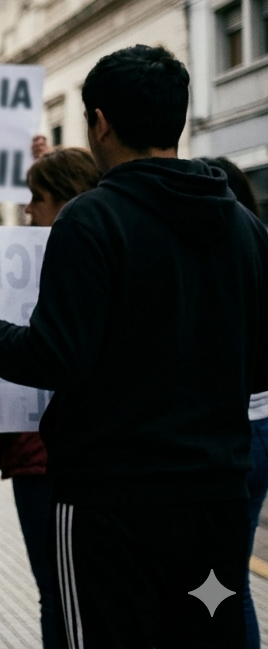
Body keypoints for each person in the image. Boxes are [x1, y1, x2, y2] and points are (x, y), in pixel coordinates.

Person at [0, 45, 268, 648]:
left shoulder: (90, 221)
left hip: (110, 506)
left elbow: (53, 357)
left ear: (100, 122)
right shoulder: (244, 228)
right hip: (215, 498)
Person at [3, 142, 100, 649]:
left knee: (60, 593)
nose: (26, 211)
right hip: (41, 455)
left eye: (35, 198)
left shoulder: (80, 254)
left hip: (56, 461)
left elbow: (44, 352)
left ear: (63, 199)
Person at [205, 156, 268, 649]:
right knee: (231, 577)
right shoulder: (256, 249)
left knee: (219, 583)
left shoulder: (213, 266)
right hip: (262, 424)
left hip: (227, 432)